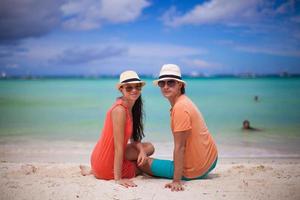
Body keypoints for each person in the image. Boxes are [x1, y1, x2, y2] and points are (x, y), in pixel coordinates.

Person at [139, 64, 218, 191]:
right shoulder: (184, 101)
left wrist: (176, 181)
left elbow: (180, 147)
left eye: (170, 82)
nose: (165, 86)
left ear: (180, 85)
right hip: (211, 159)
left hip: (197, 168)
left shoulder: (180, 108)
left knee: (143, 164)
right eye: (162, 83)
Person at [80, 70, 154, 188]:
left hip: (99, 157)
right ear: (121, 89)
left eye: (137, 87)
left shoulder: (131, 107)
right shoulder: (119, 110)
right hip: (106, 162)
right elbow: (118, 146)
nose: (134, 90)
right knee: (142, 166)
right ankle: (99, 171)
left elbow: (133, 138)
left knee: (149, 148)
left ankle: (93, 170)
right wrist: (118, 178)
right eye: (129, 88)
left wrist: (142, 151)